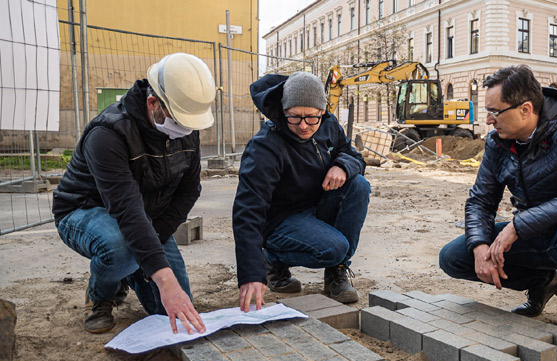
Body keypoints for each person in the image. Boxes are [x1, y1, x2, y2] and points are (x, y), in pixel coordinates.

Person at [438, 65, 557, 335]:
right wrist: (478, 246)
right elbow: (481, 201)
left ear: (525, 109)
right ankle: (543, 282)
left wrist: (517, 226)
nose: (488, 120)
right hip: (534, 232)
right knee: (453, 257)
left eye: (495, 112)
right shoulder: (498, 142)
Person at [52, 53, 215, 335]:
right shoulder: (109, 133)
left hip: (146, 218)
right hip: (84, 210)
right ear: (153, 103)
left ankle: (127, 268)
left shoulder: (187, 127)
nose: (184, 131)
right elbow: (126, 209)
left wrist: (154, 243)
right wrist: (161, 276)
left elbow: (189, 191)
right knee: (121, 248)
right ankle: (101, 295)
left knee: (170, 312)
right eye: (179, 121)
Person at [232, 72, 368, 312]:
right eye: (294, 117)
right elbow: (247, 210)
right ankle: (272, 259)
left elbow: (353, 155)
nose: (304, 125)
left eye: (311, 118)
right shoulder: (265, 146)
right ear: (284, 111)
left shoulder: (328, 125)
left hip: (317, 205)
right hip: (281, 219)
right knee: (334, 248)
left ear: (322, 112)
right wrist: (251, 273)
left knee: (358, 186)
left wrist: (342, 166)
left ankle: (336, 273)